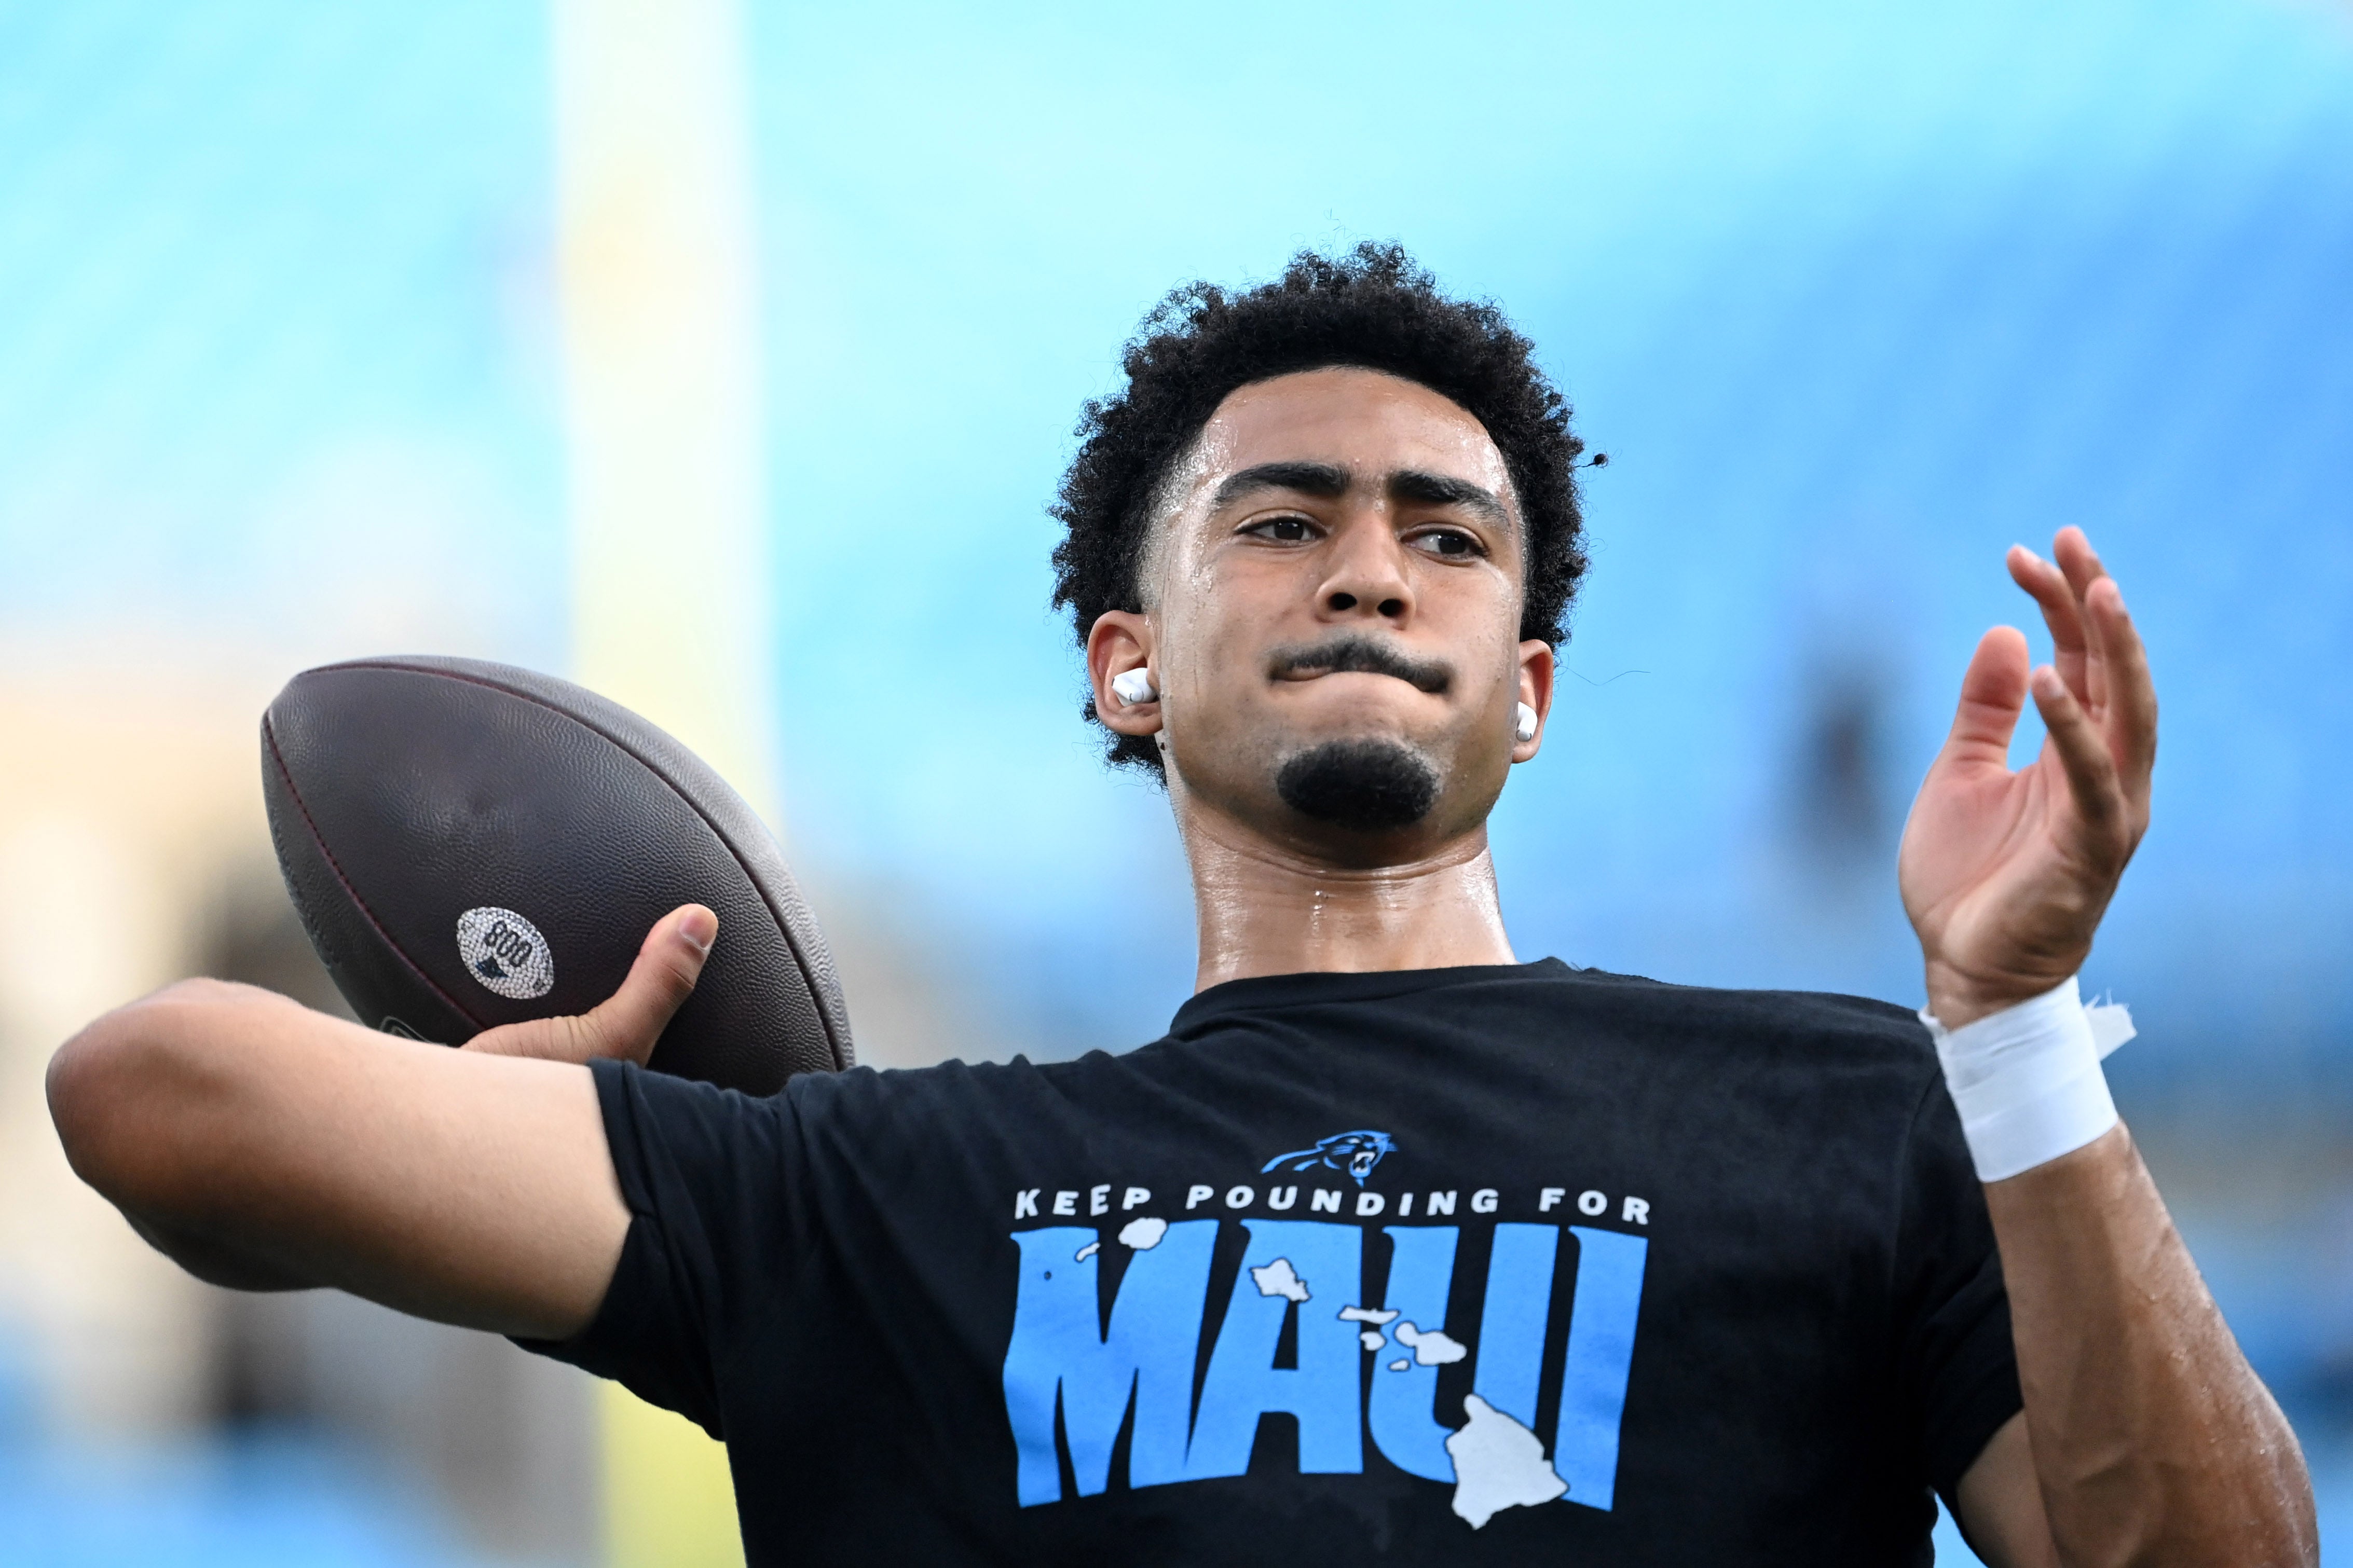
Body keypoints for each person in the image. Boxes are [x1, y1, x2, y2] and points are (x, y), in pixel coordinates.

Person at [49, 245, 2313, 1565]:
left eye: (1448, 535)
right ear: (1124, 659)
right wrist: (526, 1110)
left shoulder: (1847, 1117)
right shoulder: (888, 1195)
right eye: (1281, 519)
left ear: (1525, 693)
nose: (1368, 564)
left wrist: (2015, 1029)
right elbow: (158, 1091)